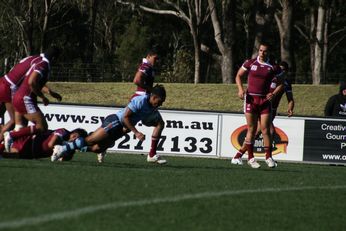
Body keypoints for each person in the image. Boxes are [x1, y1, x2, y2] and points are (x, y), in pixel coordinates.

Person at [51, 84, 167, 164]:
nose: (160, 104)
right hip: (115, 121)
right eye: (160, 101)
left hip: (121, 128)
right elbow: (126, 117)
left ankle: (69, 147)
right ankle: (62, 147)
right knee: (90, 140)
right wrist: (136, 132)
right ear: (154, 97)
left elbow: (140, 119)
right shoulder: (140, 101)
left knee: (97, 148)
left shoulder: (152, 107)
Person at [231, 61, 295, 165]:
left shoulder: (286, 82)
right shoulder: (271, 78)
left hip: (271, 110)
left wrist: (290, 108)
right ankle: (266, 157)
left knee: (258, 133)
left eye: (283, 70)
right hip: (263, 107)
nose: (281, 71)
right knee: (268, 131)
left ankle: (238, 156)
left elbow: (290, 99)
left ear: (286, 71)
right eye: (280, 69)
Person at [233, 43, 283, 168]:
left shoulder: (273, 67)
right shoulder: (250, 63)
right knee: (252, 129)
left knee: (266, 129)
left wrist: (273, 93)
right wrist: (240, 89)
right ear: (258, 51)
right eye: (260, 50)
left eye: (264, 51)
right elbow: (238, 75)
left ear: (268, 52)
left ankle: (268, 157)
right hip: (251, 99)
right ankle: (250, 158)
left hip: (264, 101)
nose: (262, 53)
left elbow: (282, 83)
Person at [3, 46, 62, 152]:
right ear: (54, 59)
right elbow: (31, 82)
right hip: (22, 96)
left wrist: (50, 92)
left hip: (16, 94)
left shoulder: (37, 60)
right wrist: (43, 97)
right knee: (41, 126)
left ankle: (8, 150)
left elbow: (33, 81)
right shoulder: (43, 64)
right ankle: (11, 135)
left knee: (20, 127)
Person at [130, 50, 165, 163]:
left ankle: (103, 145)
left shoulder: (148, 66)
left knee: (125, 127)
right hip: (143, 100)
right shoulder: (146, 65)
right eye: (155, 58)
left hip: (140, 99)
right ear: (148, 56)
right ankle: (151, 154)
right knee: (160, 123)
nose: (157, 61)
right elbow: (136, 80)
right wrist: (151, 90)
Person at [0, 128, 87, 160]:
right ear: (74, 134)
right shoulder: (64, 131)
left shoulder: (69, 146)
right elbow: (50, 144)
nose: (75, 140)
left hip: (33, 154)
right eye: (76, 137)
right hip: (29, 143)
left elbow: (65, 159)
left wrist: (70, 150)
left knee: (6, 156)